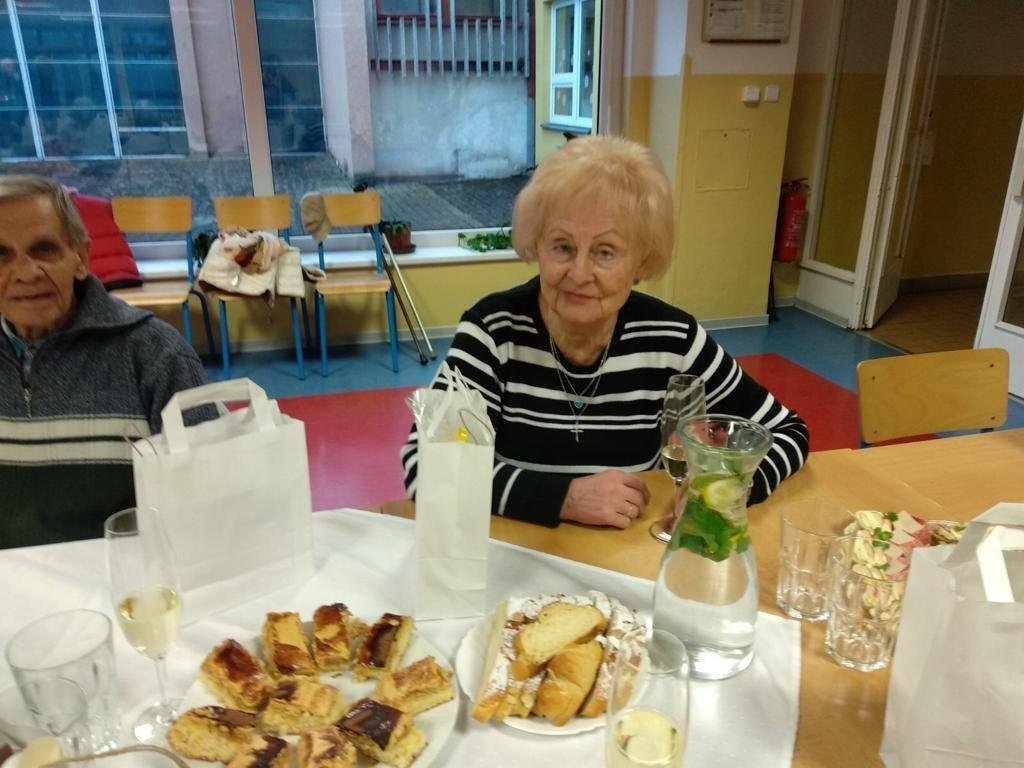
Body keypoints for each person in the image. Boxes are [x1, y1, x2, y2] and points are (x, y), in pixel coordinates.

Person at [400, 136, 809, 529]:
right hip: (518, 552)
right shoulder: (493, 332)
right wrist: (564, 498)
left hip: (629, 553)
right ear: (536, 244)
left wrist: (729, 489)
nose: (579, 274)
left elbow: (787, 431)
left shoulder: (672, 339)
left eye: (605, 252)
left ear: (642, 260)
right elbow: (427, 467)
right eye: (562, 247)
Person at [0, 175, 210, 547]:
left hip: (125, 571)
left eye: (44, 249)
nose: (25, 273)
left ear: (80, 258)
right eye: (1, 255)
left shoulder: (156, 355)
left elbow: (208, 493)